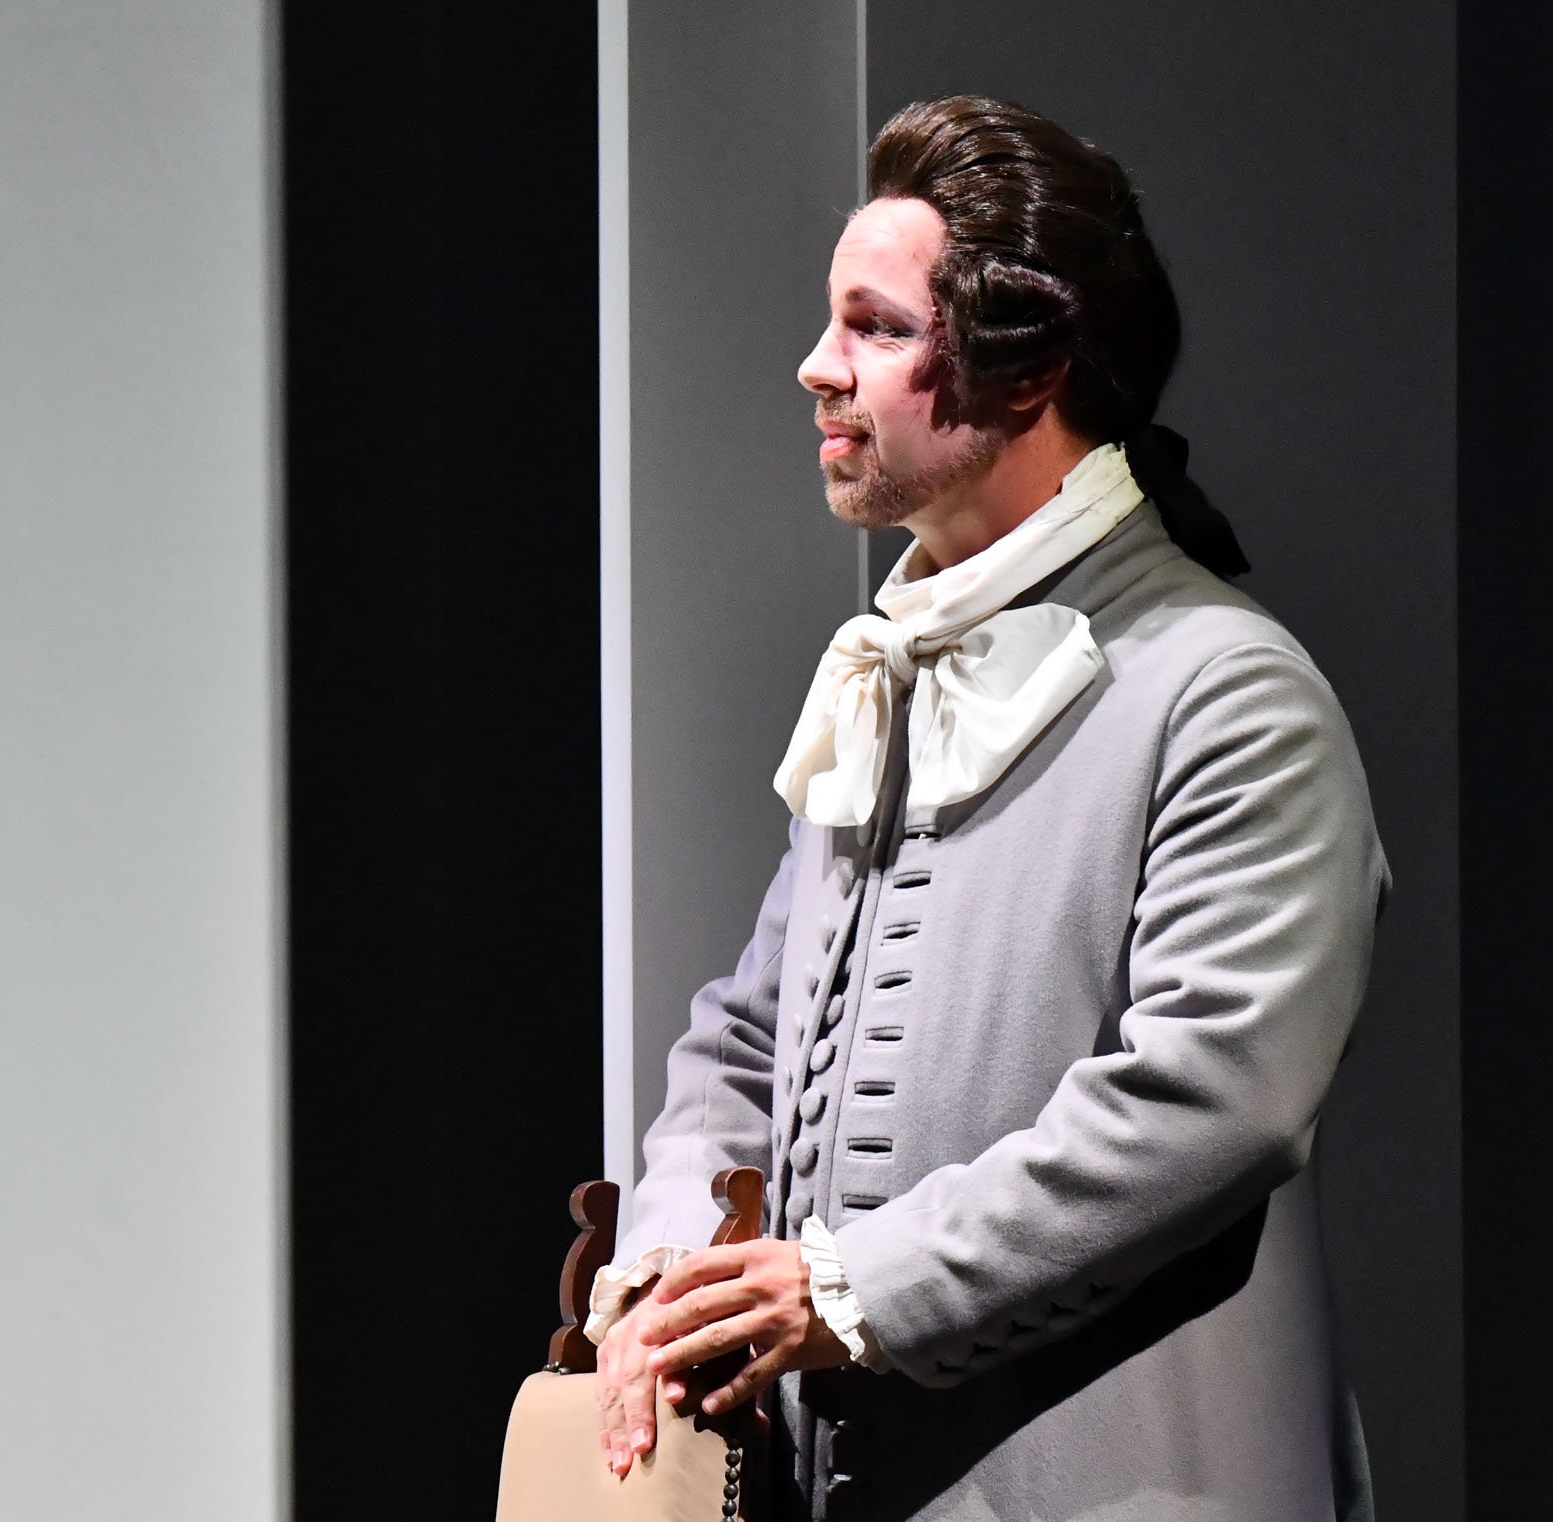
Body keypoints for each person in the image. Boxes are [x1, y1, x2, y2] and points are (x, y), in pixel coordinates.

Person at [586, 95, 1385, 1521]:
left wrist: (854, 1287)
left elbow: (1212, 1096)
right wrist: (669, 1267)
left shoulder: (1224, 691)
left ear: (1032, 373)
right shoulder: (897, 682)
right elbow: (750, 1036)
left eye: (876, 328)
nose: (818, 366)